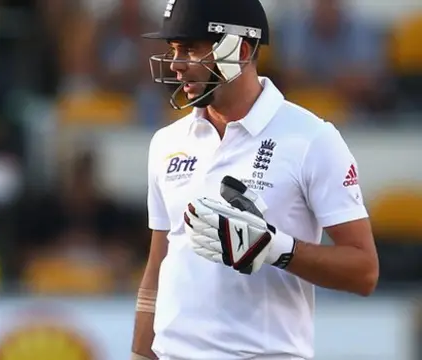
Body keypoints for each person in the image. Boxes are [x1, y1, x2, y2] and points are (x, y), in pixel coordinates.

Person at [131, 1, 379, 359]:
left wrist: (277, 249)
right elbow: (159, 265)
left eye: (190, 49)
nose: (176, 64)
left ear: (240, 50)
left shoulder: (311, 139)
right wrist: (140, 355)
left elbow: (364, 271)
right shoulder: (167, 143)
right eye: (173, 50)